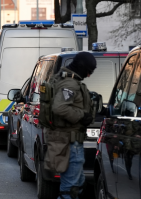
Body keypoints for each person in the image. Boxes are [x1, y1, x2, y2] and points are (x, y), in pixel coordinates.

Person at [51, 52, 97, 199]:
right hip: (70, 142)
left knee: (77, 184)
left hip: (67, 141)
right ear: (82, 67)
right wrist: (82, 115)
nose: (89, 75)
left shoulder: (63, 79)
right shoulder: (69, 84)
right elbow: (59, 107)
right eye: (89, 71)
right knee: (70, 190)